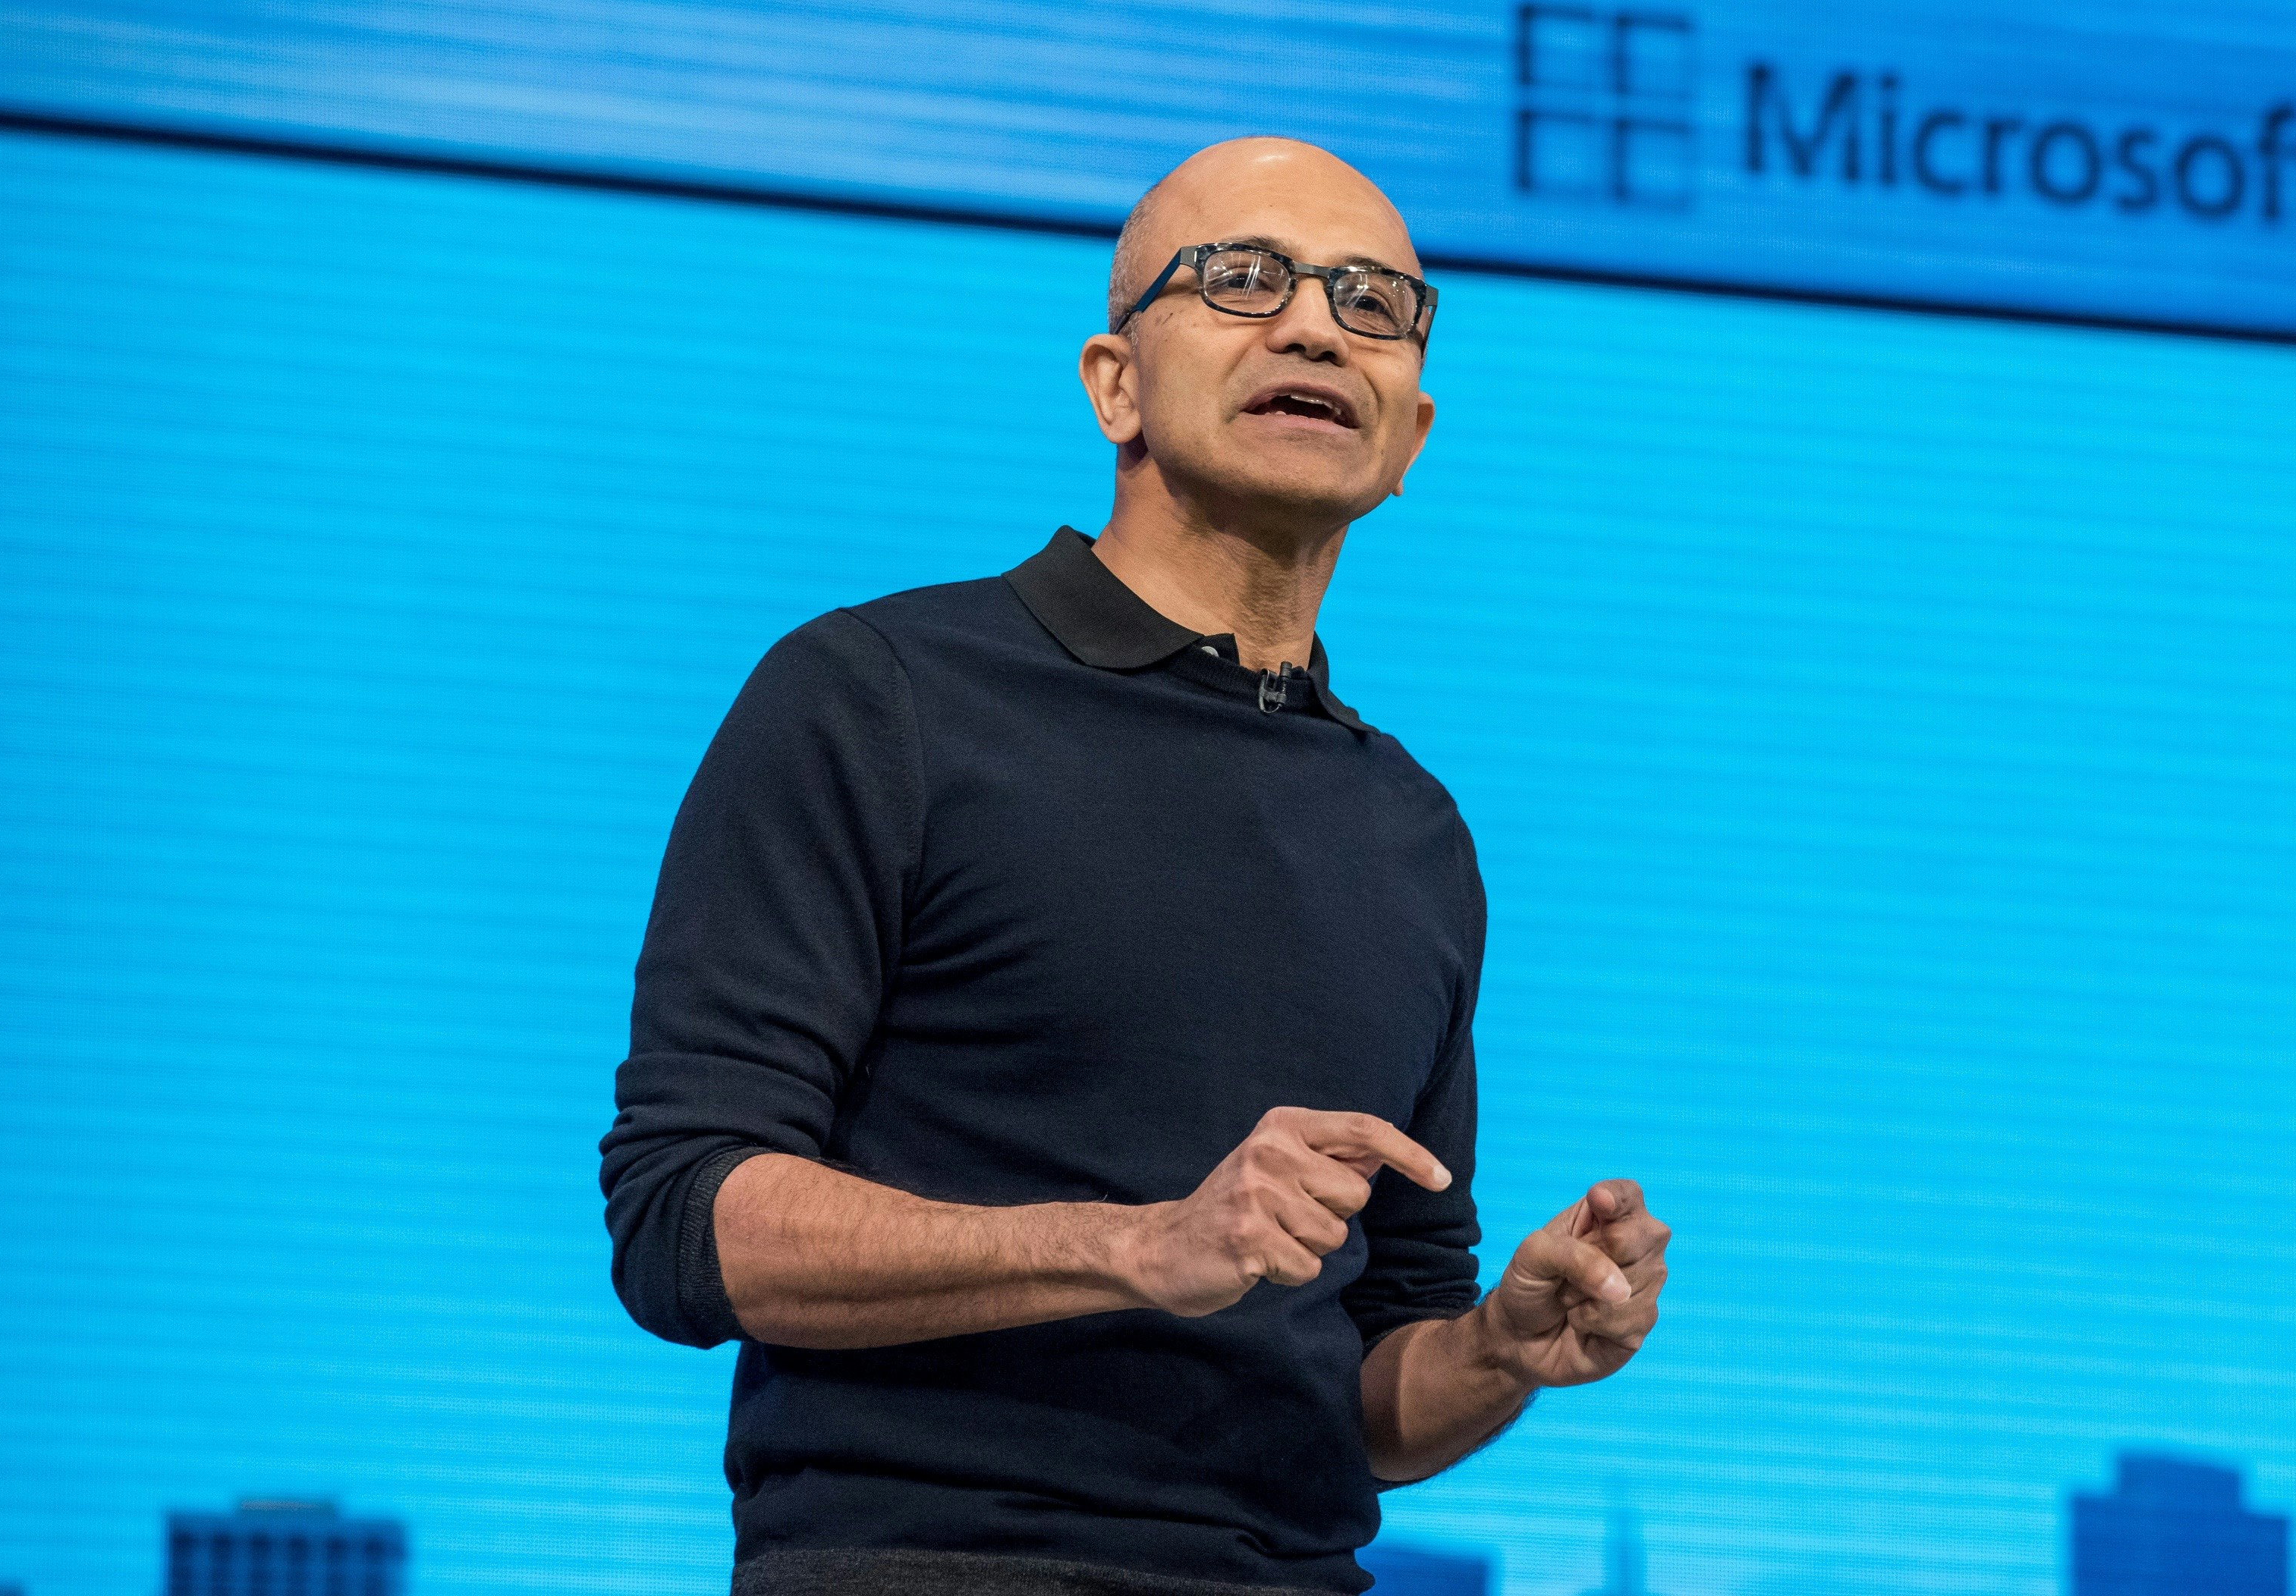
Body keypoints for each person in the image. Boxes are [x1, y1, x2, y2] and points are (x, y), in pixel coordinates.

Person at [597, 137, 1671, 1596]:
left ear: (1410, 433)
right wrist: (1142, 1246)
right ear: (1116, 385)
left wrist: (1495, 1352)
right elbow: (684, 1220)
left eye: (1370, 302)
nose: (1310, 324)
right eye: (1243, 280)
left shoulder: (1413, 833)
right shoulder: (876, 696)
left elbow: (1365, 1395)